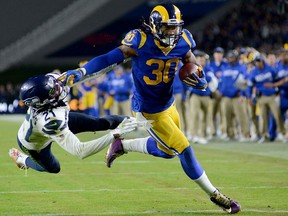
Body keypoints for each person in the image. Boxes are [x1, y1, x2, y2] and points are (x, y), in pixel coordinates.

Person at [63, 4, 240, 214]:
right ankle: (216, 195)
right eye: (168, 27)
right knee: (183, 147)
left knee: (168, 152)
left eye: (175, 27)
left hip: (168, 104)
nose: (173, 32)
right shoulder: (140, 40)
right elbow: (108, 59)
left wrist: (200, 76)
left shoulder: (183, 41)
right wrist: (82, 72)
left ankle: (122, 146)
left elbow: (190, 61)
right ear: (156, 26)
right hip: (148, 110)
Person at [8, 72, 138, 173]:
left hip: (57, 117)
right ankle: (22, 159)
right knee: (54, 168)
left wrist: (84, 71)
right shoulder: (50, 122)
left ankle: (138, 122)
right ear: (42, 102)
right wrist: (114, 134)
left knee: (99, 123)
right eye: (53, 91)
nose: (58, 88)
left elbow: (74, 77)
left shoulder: (51, 81)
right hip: (35, 144)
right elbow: (81, 151)